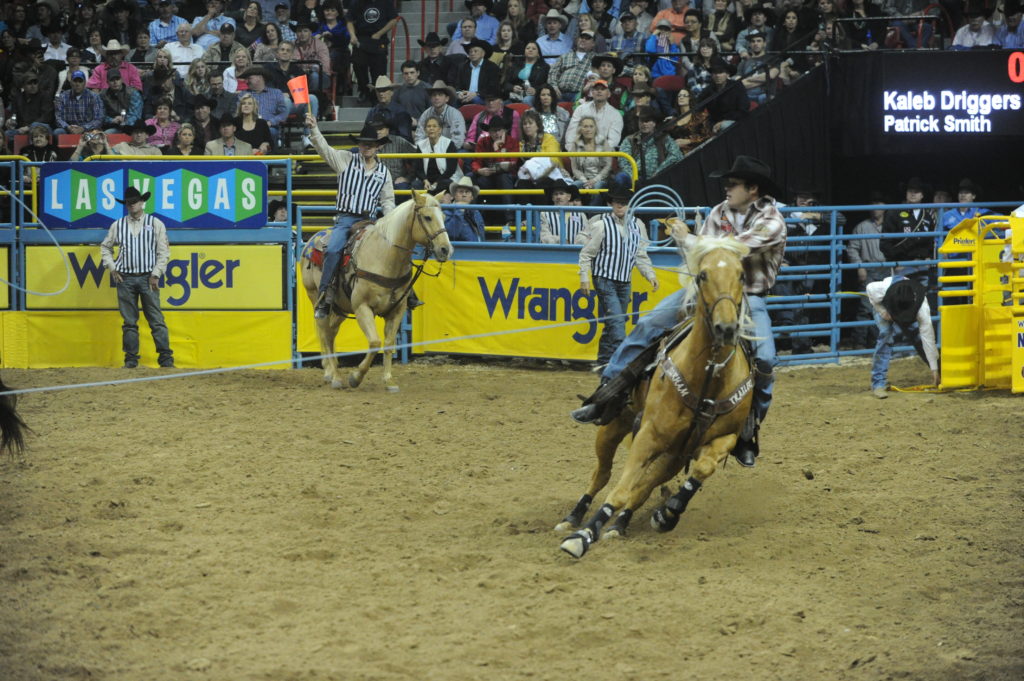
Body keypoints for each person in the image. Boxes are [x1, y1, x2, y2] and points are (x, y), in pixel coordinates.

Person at [571, 155, 787, 468]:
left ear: (752, 189)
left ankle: (747, 430)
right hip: (706, 289)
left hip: (748, 296)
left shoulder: (772, 220)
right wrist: (684, 242)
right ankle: (607, 392)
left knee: (765, 358)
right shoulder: (718, 212)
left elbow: (731, 249)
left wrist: (689, 238)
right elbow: (700, 258)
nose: (726, 188)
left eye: (733, 184)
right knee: (649, 323)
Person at [307, 114, 395, 319]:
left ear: (378, 146)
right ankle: (324, 294)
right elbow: (324, 150)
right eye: (364, 144)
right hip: (346, 219)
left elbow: (388, 200)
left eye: (371, 144)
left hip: (371, 222)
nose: (368, 147)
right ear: (360, 145)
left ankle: (403, 292)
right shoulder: (346, 160)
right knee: (334, 248)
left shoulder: (384, 172)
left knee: (395, 247)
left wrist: (388, 223)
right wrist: (314, 129)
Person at [577, 182, 660, 367]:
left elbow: (639, 254)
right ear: (611, 204)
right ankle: (620, 368)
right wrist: (584, 277)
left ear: (629, 204)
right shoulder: (601, 225)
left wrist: (650, 274)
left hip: (624, 281)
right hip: (604, 280)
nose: (620, 205)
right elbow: (586, 253)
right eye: (616, 202)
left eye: (623, 202)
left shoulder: (636, 226)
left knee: (613, 324)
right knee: (617, 326)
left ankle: (603, 364)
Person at [99, 186, 175, 369]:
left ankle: (165, 358)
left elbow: (163, 251)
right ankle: (131, 358)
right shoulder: (118, 225)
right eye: (128, 203)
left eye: (134, 202)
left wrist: (156, 273)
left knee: (156, 319)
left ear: (142, 202)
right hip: (125, 277)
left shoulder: (155, 223)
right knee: (130, 322)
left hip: (148, 277)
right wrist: (112, 267)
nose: (131, 205)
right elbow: (105, 248)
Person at [867, 277, 938, 398]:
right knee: (885, 334)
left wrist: (934, 369)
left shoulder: (921, 308)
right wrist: (882, 310)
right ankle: (878, 384)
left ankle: (938, 373)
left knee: (918, 338)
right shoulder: (879, 289)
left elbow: (928, 337)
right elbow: (870, 290)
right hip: (884, 306)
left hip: (898, 305)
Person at [880, 176, 937, 300]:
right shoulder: (894, 213)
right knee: (902, 300)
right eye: (910, 191)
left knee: (921, 300)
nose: (913, 194)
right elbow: (885, 242)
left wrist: (928, 258)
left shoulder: (927, 216)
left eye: (916, 191)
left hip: (922, 265)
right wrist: (895, 262)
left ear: (922, 195)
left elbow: (932, 241)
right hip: (903, 264)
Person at [846, 194, 887, 349]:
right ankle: (859, 342)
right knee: (865, 307)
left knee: (882, 307)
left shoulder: (891, 225)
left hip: (886, 269)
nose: (876, 207)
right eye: (873, 203)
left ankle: (875, 342)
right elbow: (852, 249)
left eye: (879, 202)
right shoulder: (862, 227)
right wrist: (859, 266)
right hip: (869, 268)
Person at [471, 116, 520, 226]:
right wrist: (479, 170)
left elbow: (511, 165)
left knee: (503, 177)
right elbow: (476, 161)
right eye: (494, 131)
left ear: (505, 130)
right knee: (474, 178)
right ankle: (473, 218)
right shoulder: (482, 142)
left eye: (499, 130)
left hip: (507, 177)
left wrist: (496, 149)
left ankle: (510, 219)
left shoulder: (513, 142)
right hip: (487, 176)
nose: (497, 134)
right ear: (489, 132)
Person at [346, 0, 398, 105]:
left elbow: (393, 20)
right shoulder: (356, 3)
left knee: (379, 71)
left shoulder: (386, 2)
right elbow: (349, 21)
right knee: (358, 64)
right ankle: (364, 91)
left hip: (378, 39)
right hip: (361, 39)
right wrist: (352, 35)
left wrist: (379, 34)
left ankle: (377, 95)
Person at [619, 106, 683, 181]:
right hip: (635, 180)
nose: (644, 124)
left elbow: (677, 156)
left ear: (654, 123)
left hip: (660, 179)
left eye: (648, 121)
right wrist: (634, 177)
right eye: (642, 121)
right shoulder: (630, 140)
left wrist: (658, 172)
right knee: (620, 177)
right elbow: (623, 161)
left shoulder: (664, 138)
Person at [564, 79, 622, 151]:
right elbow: (571, 134)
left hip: (602, 155)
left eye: (602, 89)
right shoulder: (580, 109)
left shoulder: (616, 114)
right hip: (579, 152)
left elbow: (613, 141)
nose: (599, 91)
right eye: (596, 89)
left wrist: (597, 154)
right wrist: (572, 151)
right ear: (591, 93)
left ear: (609, 94)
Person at [414, 114, 460, 192]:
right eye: (428, 126)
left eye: (434, 126)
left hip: (445, 178)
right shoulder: (420, 145)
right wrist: (425, 180)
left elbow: (450, 169)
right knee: (415, 185)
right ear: (425, 130)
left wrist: (436, 183)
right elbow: (418, 169)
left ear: (440, 130)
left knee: (446, 184)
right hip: (427, 181)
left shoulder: (449, 144)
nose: (431, 128)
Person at [415, 81, 467, 149]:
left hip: (450, 153)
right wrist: (424, 150)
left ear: (447, 98)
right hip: (429, 152)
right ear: (431, 99)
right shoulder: (425, 114)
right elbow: (419, 136)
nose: (436, 98)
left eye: (440, 95)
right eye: (434, 95)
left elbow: (458, 139)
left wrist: (444, 152)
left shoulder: (455, 114)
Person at [704, 56, 749, 133]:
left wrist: (723, 121)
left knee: (724, 126)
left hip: (736, 121)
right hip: (714, 124)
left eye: (720, 72)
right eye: (715, 72)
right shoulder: (708, 89)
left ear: (728, 74)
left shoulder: (737, 86)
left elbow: (743, 109)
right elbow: (698, 105)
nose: (717, 75)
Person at [549, 31, 597, 101]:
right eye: (581, 37)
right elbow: (553, 73)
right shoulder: (565, 56)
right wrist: (554, 86)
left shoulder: (596, 59)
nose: (583, 40)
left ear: (593, 44)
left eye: (587, 39)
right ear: (577, 40)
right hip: (560, 93)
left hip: (580, 95)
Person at [454, 38, 502, 107]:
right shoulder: (463, 67)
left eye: (475, 51)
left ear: (483, 54)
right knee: (454, 102)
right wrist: (460, 93)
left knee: (475, 100)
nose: (472, 53)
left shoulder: (492, 67)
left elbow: (493, 89)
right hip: (465, 97)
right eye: (470, 52)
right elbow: (458, 85)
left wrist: (476, 94)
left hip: (484, 98)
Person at [55, 70, 104, 136]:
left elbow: (99, 119)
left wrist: (83, 128)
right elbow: (58, 118)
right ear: (71, 83)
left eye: (80, 81)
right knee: (58, 132)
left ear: (84, 83)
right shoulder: (63, 96)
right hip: (69, 129)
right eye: (75, 81)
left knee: (97, 133)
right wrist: (68, 127)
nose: (77, 84)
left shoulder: (94, 97)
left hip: (89, 129)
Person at [443, 176, 487, 242]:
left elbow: (482, 235)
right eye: (461, 191)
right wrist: (460, 210)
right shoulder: (447, 212)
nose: (464, 194)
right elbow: (452, 234)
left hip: (478, 250)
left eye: (467, 192)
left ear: (471, 197)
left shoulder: (476, 212)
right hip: (461, 251)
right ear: (455, 195)